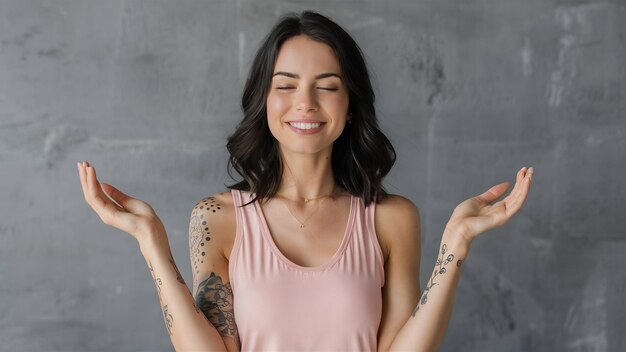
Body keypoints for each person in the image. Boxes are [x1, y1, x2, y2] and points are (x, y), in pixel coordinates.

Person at [77, 10, 533, 352]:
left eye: (328, 86)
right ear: (264, 100)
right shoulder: (217, 218)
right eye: (286, 85)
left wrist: (456, 245)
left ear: (350, 104)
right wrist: (150, 241)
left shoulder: (391, 219)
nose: (306, 103)